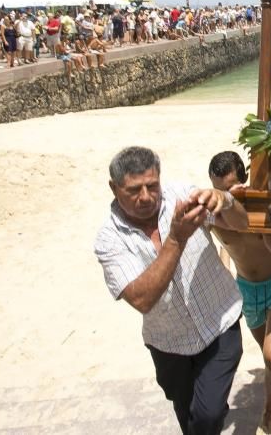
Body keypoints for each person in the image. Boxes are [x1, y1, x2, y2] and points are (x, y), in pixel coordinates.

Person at [94, 147, 249, 435]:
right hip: (168, 345)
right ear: (113, 188)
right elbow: (142, 299)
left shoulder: (184, 197)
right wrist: (176, 239)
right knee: (187, 413)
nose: (145, 197)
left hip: (220, 323)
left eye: (152, 186)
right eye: (133, 190)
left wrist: (226, 201)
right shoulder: (108, 240)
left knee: (208, 415)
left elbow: (243, 224)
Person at [206, 152, 271, 435]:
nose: (225, 195)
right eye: (219, 189)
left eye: (231, 187)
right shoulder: (214, 211)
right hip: (247, 287)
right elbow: (222, 247)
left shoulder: (269, 201)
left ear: (244, 179)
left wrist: (260, 222)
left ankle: (268, 415)